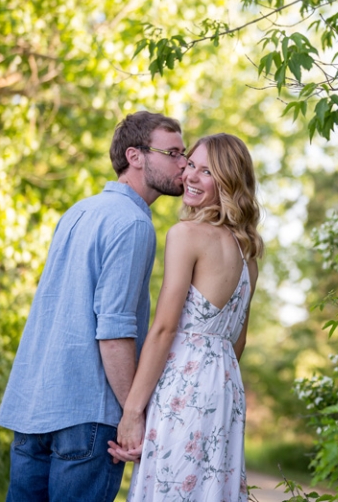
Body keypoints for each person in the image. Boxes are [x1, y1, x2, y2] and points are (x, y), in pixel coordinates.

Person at [0, 111, 188, 502]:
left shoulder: (78, 212)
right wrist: (132, 414)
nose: (183, 164)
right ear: (135, 156)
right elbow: (115, 330)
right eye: (173, 153)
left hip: (34, 408)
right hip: (88, 417)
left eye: (183, 154)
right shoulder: (135, 224)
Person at [109, 133, 263, 501]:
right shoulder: (249, 255)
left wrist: (132, 412)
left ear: (228, 181)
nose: (191, 177)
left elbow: (163, 329)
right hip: (224, 387)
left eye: (207, 171)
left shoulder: (187, 234)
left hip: (184, 384)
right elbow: (237, 341)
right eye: (190, 164)